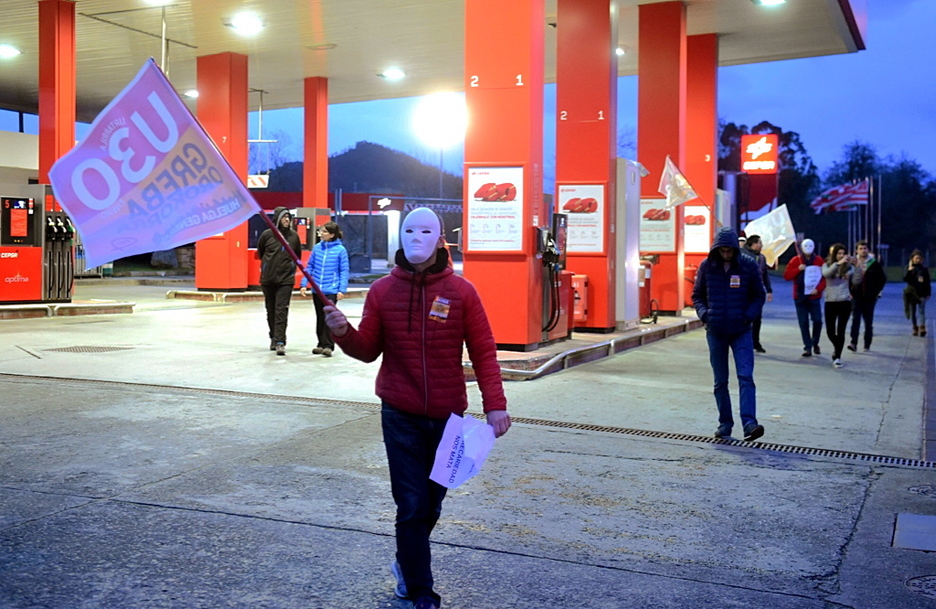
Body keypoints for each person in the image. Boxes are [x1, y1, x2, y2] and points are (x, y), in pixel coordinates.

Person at [323, 207, 510, 609]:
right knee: (410, 504)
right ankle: (420, 591)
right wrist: (342, 332)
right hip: (400, 414)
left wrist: (495, 405)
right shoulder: (382, 292)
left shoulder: (462, 292)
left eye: (426, 230)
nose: (416, 237)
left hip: (448, 418)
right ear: (400, 237)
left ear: (440, 237)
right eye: (409, 229)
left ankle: (406, 563)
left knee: (432, 503)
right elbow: (367, 350)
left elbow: (484, 352)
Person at [692, 226, 766, 442]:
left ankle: (749, 423)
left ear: (735, 249)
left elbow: (758, 295)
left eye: (729, 251)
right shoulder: (708, 266)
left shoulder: (748, 266)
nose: (726, 254)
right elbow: (697, 294)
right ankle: (725, 423)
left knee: (745, 377)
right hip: (715, 330)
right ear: (716, 249)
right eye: (722, 251)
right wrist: (705, 315)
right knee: (720, 381)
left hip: (741, 330)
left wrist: (748, 316)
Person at [299, 222, 349, 357]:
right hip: (317, 289)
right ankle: (320, 344)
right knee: (320, 317)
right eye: (321, 231)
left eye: (324, 232)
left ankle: (328, 345)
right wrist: (304, 284)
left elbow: (344, 270)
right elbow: (309, 267)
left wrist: (341, 289)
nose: (321, 233)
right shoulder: (317, 248)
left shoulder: (340, 250)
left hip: (331, 290)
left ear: (332, 235)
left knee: (329, 318)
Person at [256, 207, 302, 356]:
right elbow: (261, 252)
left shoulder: (294, 236)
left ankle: (281, 341)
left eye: (288, 217)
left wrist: (290, 270)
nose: (287, 220)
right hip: (268, 279)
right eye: (284, 217)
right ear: (277, 219)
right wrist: (267, 267)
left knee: (281, 309)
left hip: (286, 280)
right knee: (271, 310)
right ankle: (273, 337)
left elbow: (297, 256)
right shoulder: (267, 235)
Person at [783, 238, 826, 357]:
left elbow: (824, 277)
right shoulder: (796, 260)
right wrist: (798, 269)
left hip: (814, 296)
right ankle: (808, 347)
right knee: (803, 322)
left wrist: (818, 289)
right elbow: (787, 276)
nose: (808, 249)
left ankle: (815, 342)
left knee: (817, 321)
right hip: (800, 296)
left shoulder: (819, 261)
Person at [848, 240, 887, 352]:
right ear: (857, 250)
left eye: (865, 248)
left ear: (868, 250)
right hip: (856, 296)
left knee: (868, 321)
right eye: (860, 248)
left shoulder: (874, 263)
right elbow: (848, 278)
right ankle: (853, 342)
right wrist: (850, 291)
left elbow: (882, 279)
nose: (863, 251)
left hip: (869, 298)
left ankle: (867, 343)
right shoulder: (852, 263)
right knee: (855, 319)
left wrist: (875, 292)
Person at [821, 243, 853, 368]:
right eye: (839, 253)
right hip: (830, 301)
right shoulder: (827, 265)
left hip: (844, 301)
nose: (841, 256)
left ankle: (838, 356)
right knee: (830, 331)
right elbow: (826, 274)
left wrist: (856, 267)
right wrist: (837, 264)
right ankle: (837, 346)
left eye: (843, 253)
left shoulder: (848, 267)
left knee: (841, 330)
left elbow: (856, 280)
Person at [741, 235, 773, 353]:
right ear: (753, 244)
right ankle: (743, 341)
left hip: (757, 293)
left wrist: (769, 290)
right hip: (744, 292)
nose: (761, 245)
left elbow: (765, 275)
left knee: (757, 318)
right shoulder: (742, 255)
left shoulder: (761, 258)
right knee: (745, 317)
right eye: (759, 243)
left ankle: (756, 342)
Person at [903, 249, 931, 337]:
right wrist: (909, 270)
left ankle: (922, 327)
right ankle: (915, 327)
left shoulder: (924, 269)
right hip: (912, 293)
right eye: (916, 258)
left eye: (919, 258)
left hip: (922, 293)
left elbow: (927, 282)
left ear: (922, 259)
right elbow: (905, 279)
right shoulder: (908, 267)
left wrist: (928, 293)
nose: (918, 260)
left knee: (922, 310)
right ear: (912, 259)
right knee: (913, 312)